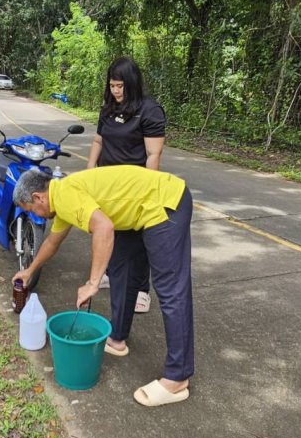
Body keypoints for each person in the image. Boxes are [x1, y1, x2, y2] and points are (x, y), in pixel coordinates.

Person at [11, 166, 194, 407]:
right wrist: (30, 270)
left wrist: (92, 283)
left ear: (38, 197)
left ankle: (177, 377)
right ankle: (117, 339)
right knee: (123, 272)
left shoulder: (65, 196)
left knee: (170, 289)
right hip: (135, 213)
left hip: (165, 202)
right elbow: (52, 243)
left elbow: (104, 228)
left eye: (32, 210)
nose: (37, 216)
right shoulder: (61, 199)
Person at [86, 57, 166, 314]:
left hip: (134, 185)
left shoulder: (149, 110)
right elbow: (99, 140)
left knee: (136, 237)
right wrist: (89, 171)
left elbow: (153, 154)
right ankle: (111, 272)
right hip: (107, 184)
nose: (116, 91)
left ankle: (142, 290)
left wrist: (147, 189)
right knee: (110, 229)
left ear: (132, 84)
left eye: (120, 86)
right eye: (112, 86)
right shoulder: (108, 108)